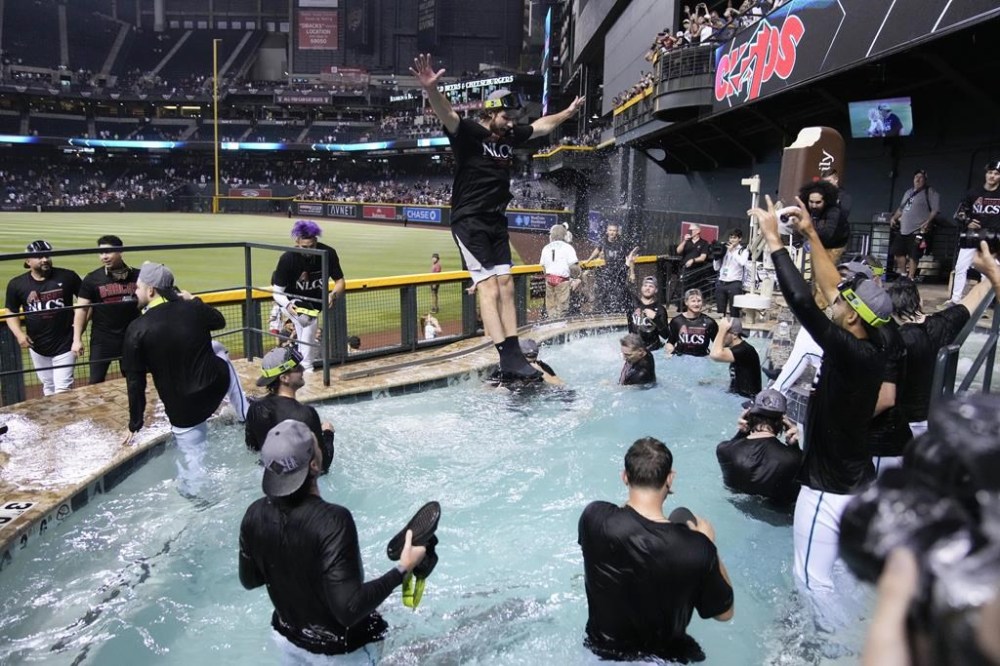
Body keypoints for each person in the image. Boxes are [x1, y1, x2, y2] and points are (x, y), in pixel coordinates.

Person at [749, 194, 891, 612]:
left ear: (851, 318)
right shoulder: (880, 339)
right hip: (861, 481)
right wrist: (811, 233)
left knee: (813, 583)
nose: (836, 298)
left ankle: (818, 651)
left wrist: (776, 241)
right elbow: (832, 290)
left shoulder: (846, 349)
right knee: (846, 576)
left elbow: (803, 301)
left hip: (828, 491)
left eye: (844, 301)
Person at [412, 55, 582, 380]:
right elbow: (447, 113)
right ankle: (505, 357)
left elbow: (542, 125)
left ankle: (515, 350)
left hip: (495, 221)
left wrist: (568, 113)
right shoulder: (469, 133)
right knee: (488, 288)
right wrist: (432, 89)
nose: (509, 122)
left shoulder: (509, 136)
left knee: (506, 284)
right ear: (491, 112)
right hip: (469, 220)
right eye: (505, 115)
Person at [240, 420, 427, 662]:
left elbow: (250, 580)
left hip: (287, 640)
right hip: (340, 655)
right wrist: (403, 568)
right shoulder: (333, 521)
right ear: (315, 464)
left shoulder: (254, 514)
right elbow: (349, 610)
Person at [578, 437, 734, 663]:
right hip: (660, 660)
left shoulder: (593, 517)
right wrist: (709, 544)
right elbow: (724, 613)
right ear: (670, 478)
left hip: (598, 654)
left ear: (624, 477)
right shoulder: (696, 548)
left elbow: (624, 525)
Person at [121, 262, 249, 495]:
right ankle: (245, 413)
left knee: (193, 459)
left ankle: (194, 496)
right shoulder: (191, 309)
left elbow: (135, 381)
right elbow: (219, 321)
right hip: (213, 388)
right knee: (219, 350)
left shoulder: (136, 328)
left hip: (183, 411)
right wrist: (193, 300)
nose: (135, 292)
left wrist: (135, 423)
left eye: (138, 287)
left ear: (151, 291)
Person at [888, 246, 1000, 439]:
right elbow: (978, 294)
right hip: (929, 419)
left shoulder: (892, 339)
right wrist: (992, 266)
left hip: (897, 424)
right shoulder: (944, 323)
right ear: (921, 302)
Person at [4, 240, 81, 396]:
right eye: (39, 256)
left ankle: (64, 419)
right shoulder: (17, 284)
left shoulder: (68, 276)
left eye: (47, 255)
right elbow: (10, 311)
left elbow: (86, 302)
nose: (45, 259)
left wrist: (78, 332)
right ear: (28, 261)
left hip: (65, 343)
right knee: (48, 386)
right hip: (37, 345)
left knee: (63, 389)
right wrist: (19, 335)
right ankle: (54, 418)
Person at [245, 346, 335, 474]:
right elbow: (323, 465)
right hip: (300, 483)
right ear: (284, 378)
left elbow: (252, 447)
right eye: (297, 368)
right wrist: (328, 433)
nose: (303, 369)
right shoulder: (306, 414)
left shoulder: (255, 408)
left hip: (268, 476)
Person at [272, 219, 346, 372]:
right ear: (297, 242)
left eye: (312, 246)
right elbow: (277, 292)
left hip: (315, 302)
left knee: (305, 327)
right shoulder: (288, 258)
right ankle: (307, 367)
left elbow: (340, 281)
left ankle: (300, 364)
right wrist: (287, 305)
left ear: (316, 241)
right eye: (304, 247)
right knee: (308, 319)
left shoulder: (328, 253)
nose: (308, 250)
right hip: (290, 301)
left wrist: (332, 295)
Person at [71, 235, 140, 384]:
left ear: (120, 251)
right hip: (102, 339)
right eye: (101, 253)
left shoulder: (138, 276)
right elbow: (81, 309)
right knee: (95, 381)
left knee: (135, 379)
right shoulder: (92, 279)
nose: (104, 257)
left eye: (108, 252)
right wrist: (77, 339)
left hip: (131, 337)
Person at [716, 388, 802, 505]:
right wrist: (794, 446)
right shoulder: (795, 459)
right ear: (782, 422)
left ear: (748, 417)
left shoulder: (724, 450)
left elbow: (733, 448)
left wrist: (741, 433)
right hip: (778, 518)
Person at [948, 159, 1000, 304]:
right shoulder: (973, 192)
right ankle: (955, 300)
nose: (992, 176)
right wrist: (967, 221)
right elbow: (959, 213)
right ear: (986, 174)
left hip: (992, 237)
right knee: (960, 267)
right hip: (971, 236)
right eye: (990, 172)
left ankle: (981, 304)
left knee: (987, 272)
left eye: (996, 173)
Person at [890, 170, 940, 280]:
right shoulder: (908, 192)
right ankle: (903, 274)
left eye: (921, 177)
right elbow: (901, 208)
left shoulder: (930, 193)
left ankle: (911, 277)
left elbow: (935, 210)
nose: (917, 179)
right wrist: (894, 218)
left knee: (914, 254)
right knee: (898, 251)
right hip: (904, 229)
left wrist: (928, 221)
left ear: (925, 180)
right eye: (916, 177)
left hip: (918, 230)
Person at [625, 249, 668, 351]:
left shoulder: (660, 309)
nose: (647, 288)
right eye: (645, 285)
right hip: (634, 349)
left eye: (651, 286)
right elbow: (619, 283)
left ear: (656, 290)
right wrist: (628, 265)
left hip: (653, 351)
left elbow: (666, 335)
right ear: (641, 287)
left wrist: (656, 318)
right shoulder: (633, 302)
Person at [708, 317, 761, 398]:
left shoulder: (744, 350)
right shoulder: (739, 349)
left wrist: (721, 330)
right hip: (738, 396)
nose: (721, 337)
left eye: (724, 333)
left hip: (746, 400)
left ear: (735, 335)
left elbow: (715, 355)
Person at [799, 180, 849, 262]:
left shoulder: (833, 211)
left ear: (826, 201)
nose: (814, 205)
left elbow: (828, 234)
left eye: (818, 202)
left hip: (835, 245)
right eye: (811, 202)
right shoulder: (809, 210)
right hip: (818, 244)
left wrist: (808, 230)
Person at [539, 223, 580, 319]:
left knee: (551, 309)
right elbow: (574, 267)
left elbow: (543, 267)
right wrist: (576, 278)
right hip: (562, 281)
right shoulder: (568, 247)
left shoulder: (546, 248)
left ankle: (552, 326)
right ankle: (559, 329)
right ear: (564, 235)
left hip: (549, 281)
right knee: (562, 310)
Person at [587, 224, 630, 313]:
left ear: (617, 232)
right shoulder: (603, 241)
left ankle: (619, 311)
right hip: (607, 272)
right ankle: (603, 310)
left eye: (614, 230)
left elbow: (629, 257)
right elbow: (597, 250)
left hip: (619, 272)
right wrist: (589, 260)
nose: (612, 232)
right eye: (610, 230)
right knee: (604, 291)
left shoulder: (622, 243)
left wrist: (632, 272)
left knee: (619, 293)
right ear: (607, 231)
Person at [665, 288, 718, 357]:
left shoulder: (709, 322)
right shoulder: (677, 321)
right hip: (680, 357)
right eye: (693, 301)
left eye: (699, 301)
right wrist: (669, 351)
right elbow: (670, 342)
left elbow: (717, 344)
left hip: (701, 358)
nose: (696, 304)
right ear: (686, 302)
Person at [713, 228, 750, 318]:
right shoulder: (725, 249)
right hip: (721, 282)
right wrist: (716, 257)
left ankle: (734, 330)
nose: (732, 240)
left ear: (740, 239)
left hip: (734, 283)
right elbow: (716, 267)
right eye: (730, 238)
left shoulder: (743, 251)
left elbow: (742, 262)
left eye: (734, 238)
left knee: (734, 311)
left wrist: (732, 251)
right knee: (720, 311)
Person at [675, 224, 710, 299]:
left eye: (692, 230)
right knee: (682, 288)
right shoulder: (687, 242)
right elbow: (678, 251)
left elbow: (703, 257)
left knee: (694, 289)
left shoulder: (704, 243)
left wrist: (693, 260)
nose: (690, 232)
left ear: (698, 231)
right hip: (685, 269)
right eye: (689, 230)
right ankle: (681, 305)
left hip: (696, 270)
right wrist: (684, 240)